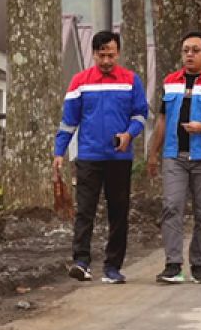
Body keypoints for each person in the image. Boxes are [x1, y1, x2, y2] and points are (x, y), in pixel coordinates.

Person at [54, 30, 148, 284]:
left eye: (111, 55)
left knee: (118, 211)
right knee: (85, 210)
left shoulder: (130, 81)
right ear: (93, 54)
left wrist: (129, 134)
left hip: (119, 157)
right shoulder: (80, 82)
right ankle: (81, 261)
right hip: (89, 156)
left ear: (118, 53)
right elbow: (69, 121)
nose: (106, 61)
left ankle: (113, 266)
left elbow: (140, 114)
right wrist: (59, 152)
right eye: (102, 55)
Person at [146, 32, 201, 284]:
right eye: (186, 50)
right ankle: (173, 265)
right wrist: (153, 152)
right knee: (171, 206)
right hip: (174, 156)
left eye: (195, 50)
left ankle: (199, 264)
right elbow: (162, 119)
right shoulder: (170, 81)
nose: (189, 55)